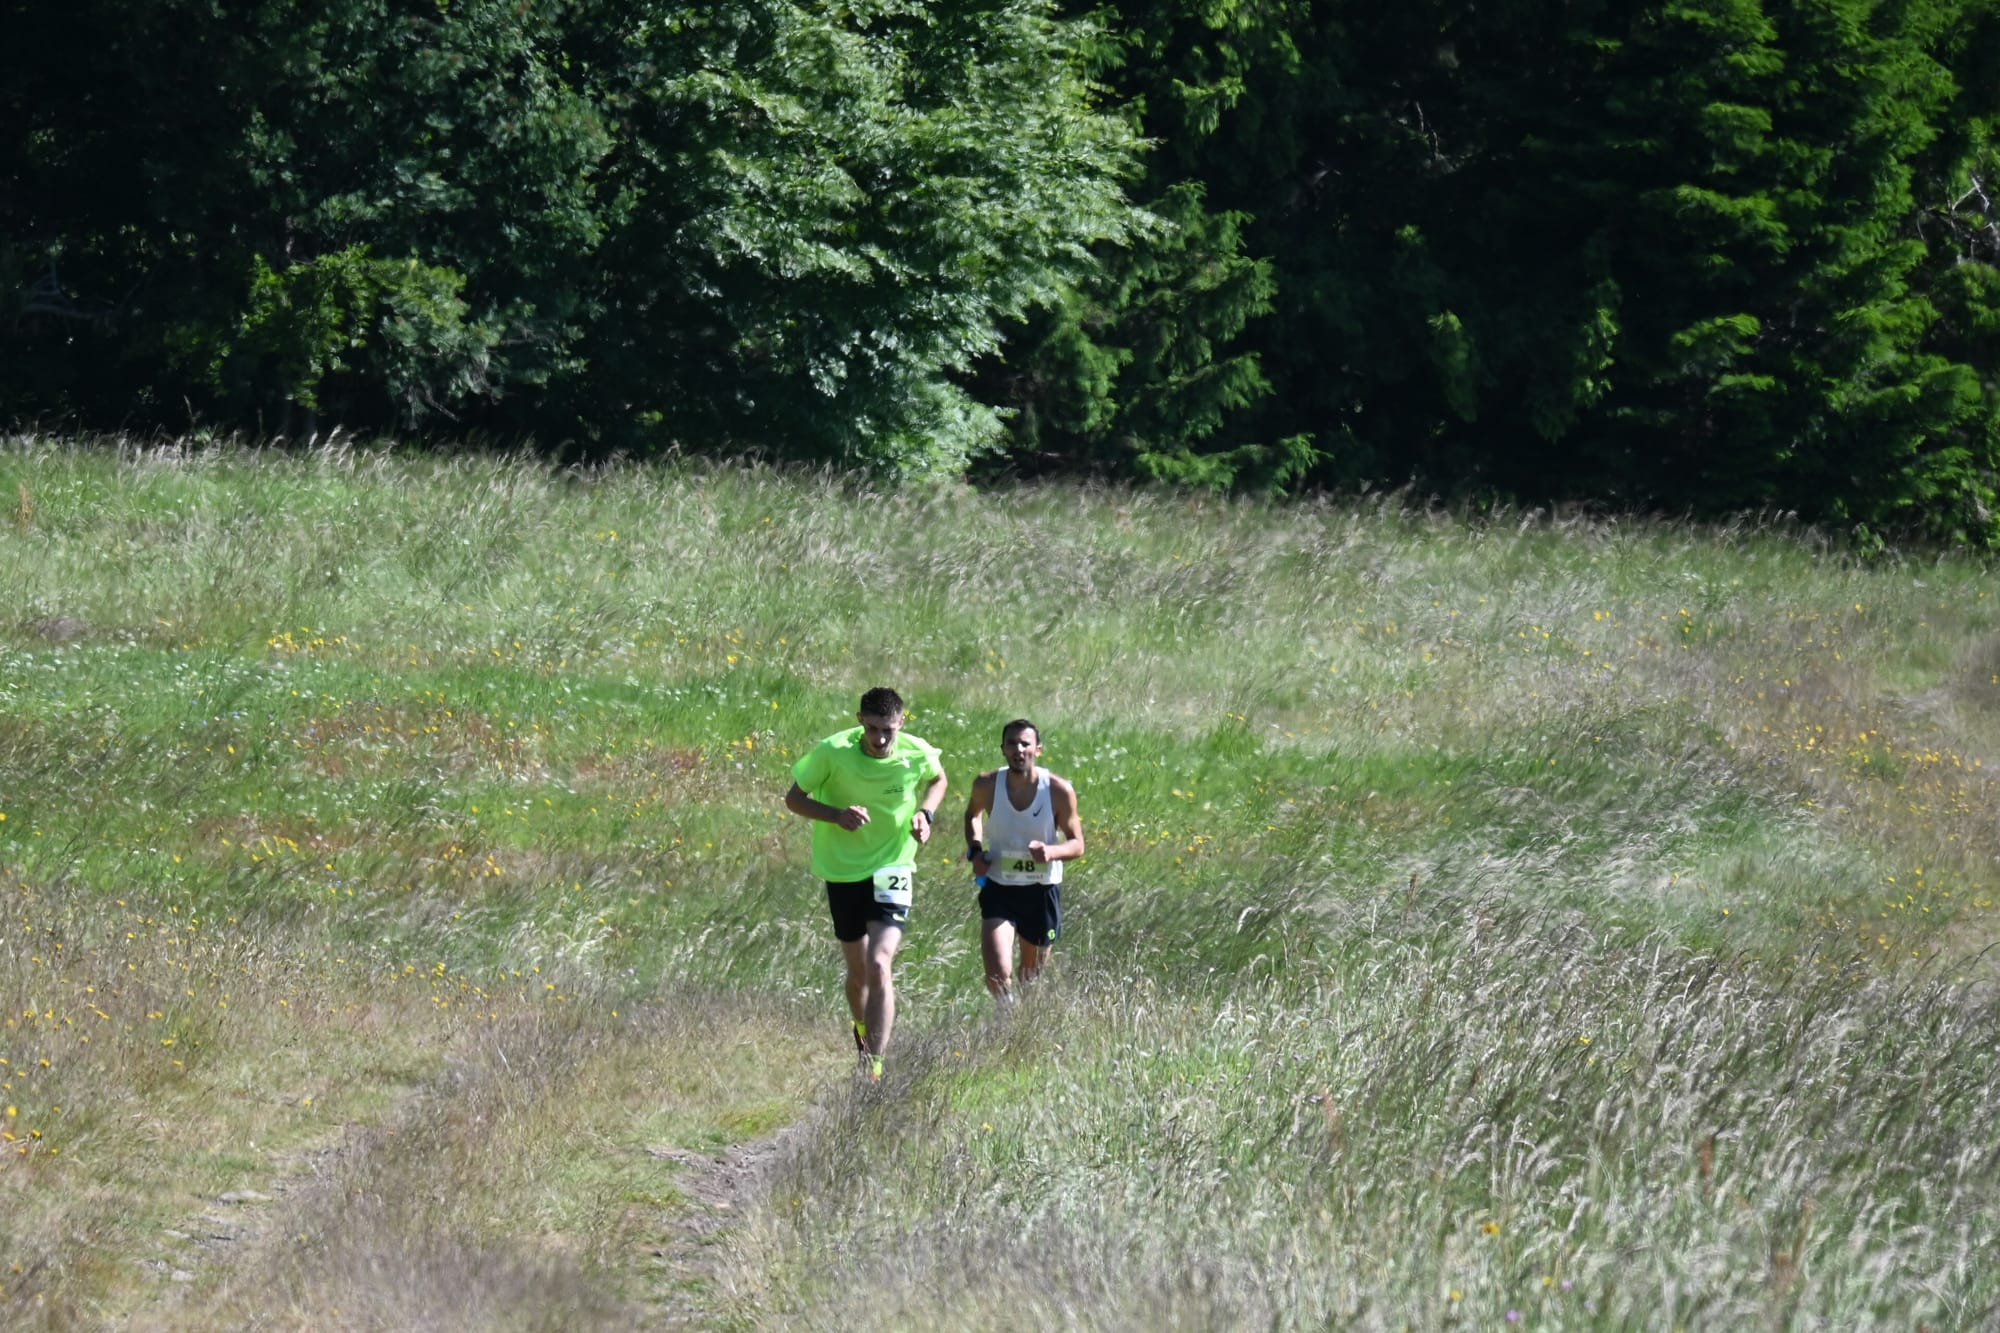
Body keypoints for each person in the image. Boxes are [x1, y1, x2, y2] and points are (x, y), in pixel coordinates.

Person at [784, 686, 947, 1080]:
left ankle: (873, 1065)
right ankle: (861, 1032)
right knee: (858, 973)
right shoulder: (832, 752)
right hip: (842, 871)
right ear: (860, 721)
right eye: (873, 729)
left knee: (879, 962)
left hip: (893, 867)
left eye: (888, 730)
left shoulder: (915, 752)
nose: (880, 739)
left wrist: (926, 814)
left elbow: (938, 779)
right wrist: (836, 815)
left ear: (902, 722)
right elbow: (793, 799)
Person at [961, 718, 1084, 1000]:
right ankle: (1006, 1018)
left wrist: (1051, 852)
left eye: (1025, 744)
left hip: (1041, 889)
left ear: (1037, 750)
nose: (1018, 749)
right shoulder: (987, 784)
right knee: (996, 972)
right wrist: (975, 850)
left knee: (1031, 975)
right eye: (1012, 744)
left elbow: (1078, 844)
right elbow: (972, 815)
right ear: (1003, 749)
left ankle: (1023, 1022)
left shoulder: (1058, 790)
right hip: (999, 887)